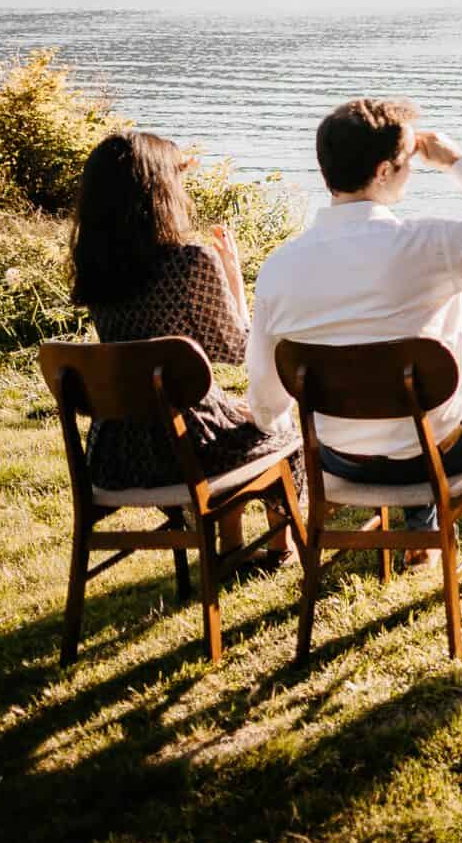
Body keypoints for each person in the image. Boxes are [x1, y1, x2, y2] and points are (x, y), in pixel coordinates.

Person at [247, 99, 462, 562]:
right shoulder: (426, 245)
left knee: (412, 391)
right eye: (408, 162)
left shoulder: (279, 269)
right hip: (439, 453)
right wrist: (456, 163)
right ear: (384, 171)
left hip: (340, 457)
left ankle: (419, 544)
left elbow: (266, 401)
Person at [70, 131, 299, 569]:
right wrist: (234, 281)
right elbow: (237, 348)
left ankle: (230, 546)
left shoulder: (94, 267)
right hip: (185, 448)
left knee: (230, 416)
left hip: (115, 451)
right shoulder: (189, 262)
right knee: (277, 423)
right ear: (161, 191)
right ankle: (278, 548)